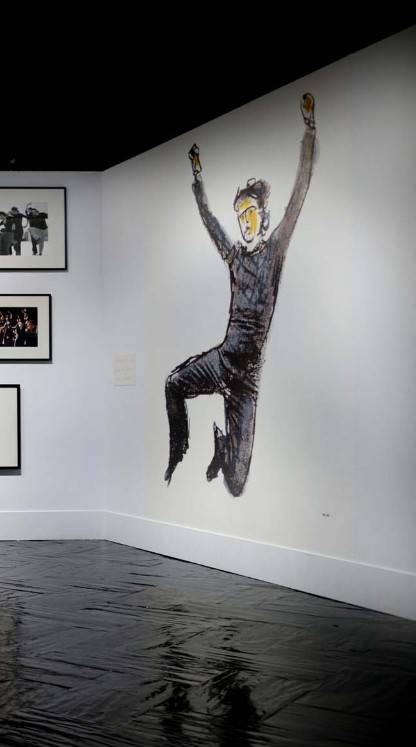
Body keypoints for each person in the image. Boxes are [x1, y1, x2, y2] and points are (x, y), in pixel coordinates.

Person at [164, 93, 317, 497]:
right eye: (240, 217)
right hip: (222, 360)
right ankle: (178, 450)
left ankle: (223, 443)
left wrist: (309, 131)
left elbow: (299, 195)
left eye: (250, 215)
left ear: (263, 216)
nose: (244, 222)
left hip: (246, 381)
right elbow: (211, 222)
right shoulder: (234, 258)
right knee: (173, 383)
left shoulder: (276, 251)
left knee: (235, 484)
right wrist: (198, 179)